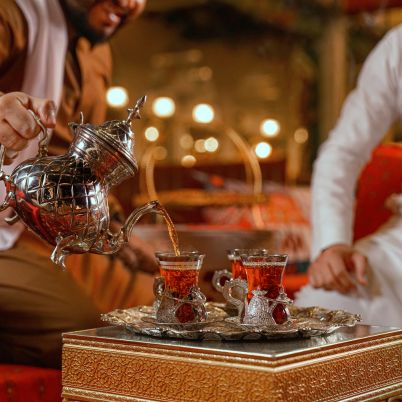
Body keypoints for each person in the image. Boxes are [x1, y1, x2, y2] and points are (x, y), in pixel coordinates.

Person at [0, 0, 159, 368]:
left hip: (56, 233)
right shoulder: (13, 15)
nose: (128, 3)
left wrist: (119, 233)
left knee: (166, 316)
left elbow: (86, 167)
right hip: (11, 234)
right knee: (86, 335)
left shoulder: (98, 51)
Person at [295, 23, 402, 327]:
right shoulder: (398, 46)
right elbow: (341, 153)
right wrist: (333, 244)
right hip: (397, 248)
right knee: (323, 316)